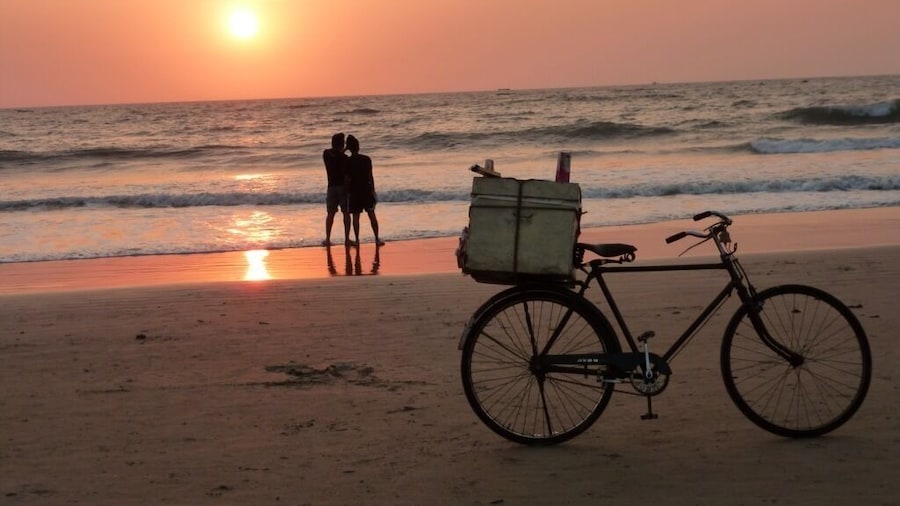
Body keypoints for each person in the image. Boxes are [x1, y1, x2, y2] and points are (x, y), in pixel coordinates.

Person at [344, 135, 385, 246]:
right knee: (371, 214)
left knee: (356, 217)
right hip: (366, 190)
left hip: (354, 192)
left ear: (349, 148)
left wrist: (346, 191)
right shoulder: (367, 159)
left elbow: (347, 178)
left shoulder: (348, 161)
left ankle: (357, 240)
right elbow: (370, 176)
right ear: (358, 147)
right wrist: (373, 190)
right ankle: (377, 239)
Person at [322, 133, 350, 246]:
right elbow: (347, 175)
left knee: (330, 213)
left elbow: (336, 155)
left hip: (331, 187)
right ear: (341, 144)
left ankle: (328, 239)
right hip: (342, 187)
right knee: (346, 213)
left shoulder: (326, 154)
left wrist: (344, 149)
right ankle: (347, 239)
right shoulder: (345, 158)